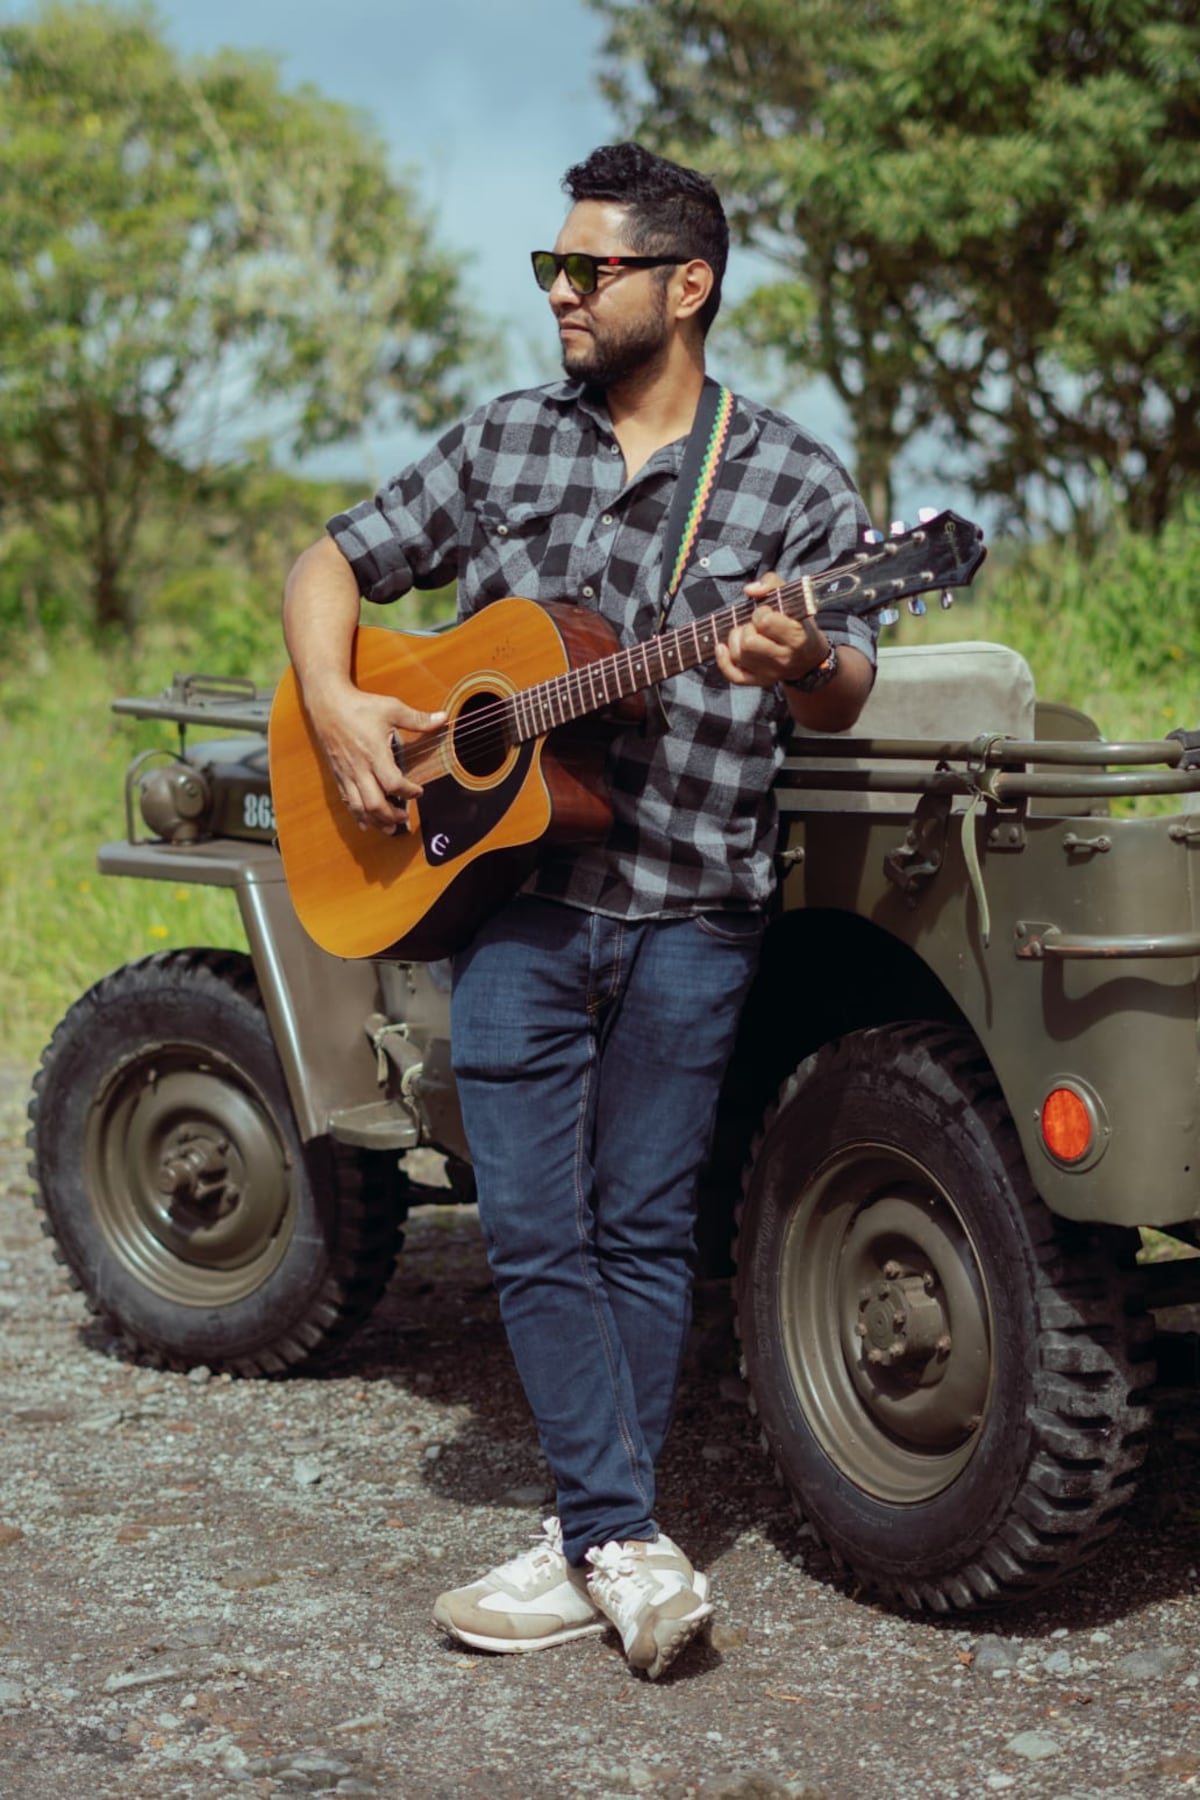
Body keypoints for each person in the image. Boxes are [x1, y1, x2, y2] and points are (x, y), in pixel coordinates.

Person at [281, 141, 877, 1680]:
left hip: (693, 903)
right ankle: (619, 1536)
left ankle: (589, 1539)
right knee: (535, 1225)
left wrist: (801, 662)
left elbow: (847, 693)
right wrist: (346, 710)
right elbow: (326, 563)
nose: (558, 291)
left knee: (642, 1227)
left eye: (586, 269)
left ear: (686, 287)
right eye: (551, 265)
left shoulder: (798, 482)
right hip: (515, 903)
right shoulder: (504, 443)